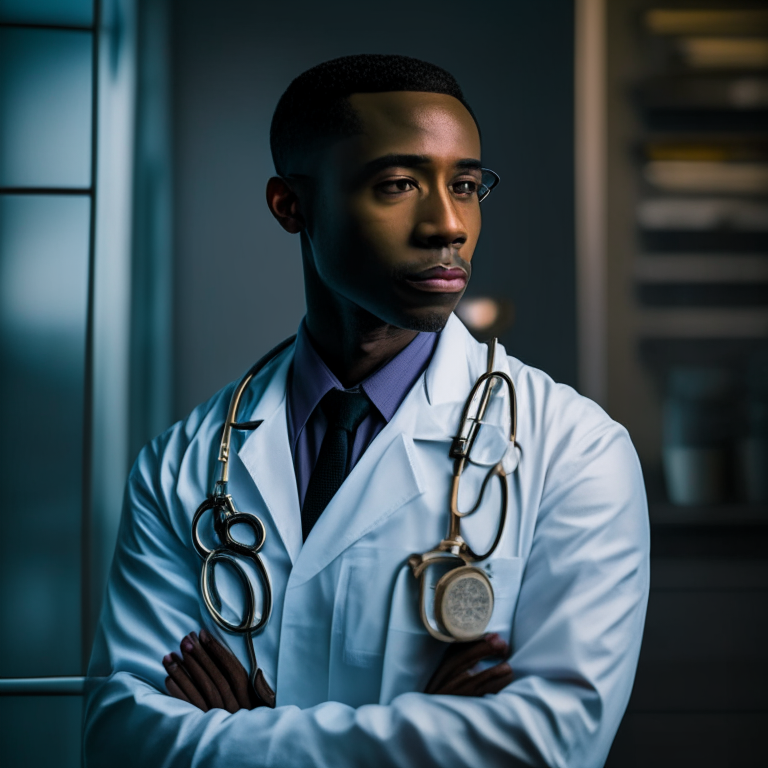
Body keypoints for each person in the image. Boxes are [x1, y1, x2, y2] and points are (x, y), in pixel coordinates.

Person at [83, 54, 649, 768]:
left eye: (467, 185)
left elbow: (549, 744)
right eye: (399, 184)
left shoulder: (576, 451)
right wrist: (430, 728)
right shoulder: (181, 466)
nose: (448, 225)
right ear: (292, 206)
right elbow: (119, 740)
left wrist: (250, 734)